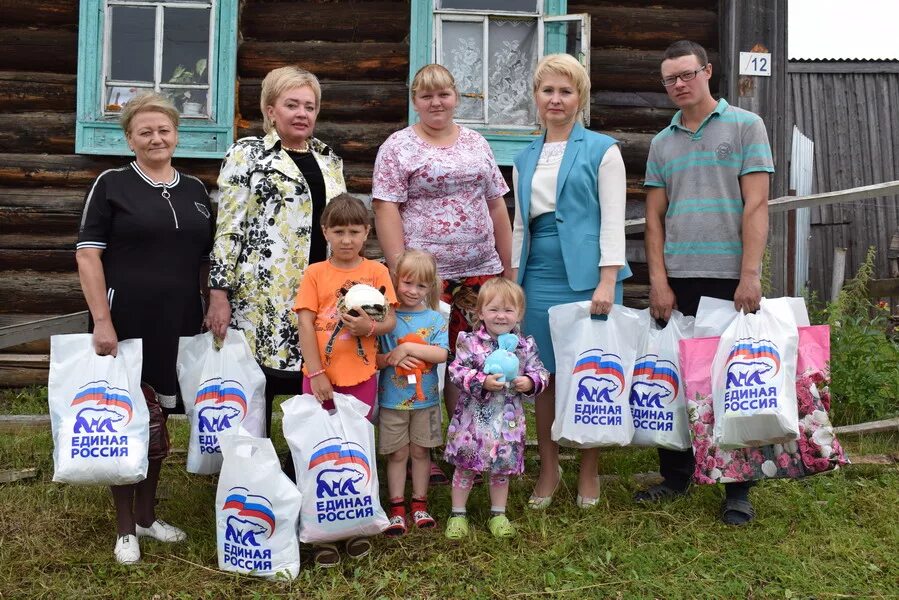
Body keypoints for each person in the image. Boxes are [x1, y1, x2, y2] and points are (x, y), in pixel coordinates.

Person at [639, 40, 774, 525]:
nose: (679, 84)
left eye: (687, 74)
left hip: (730, 278)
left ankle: (737, 488)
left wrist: (750, 275)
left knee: (731, 383)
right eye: (670, 78)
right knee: (673, 380)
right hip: (678, 277)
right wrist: (658, 281)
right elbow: (654, 219)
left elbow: (756, 205)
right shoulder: (662, 143)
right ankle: (676, 476)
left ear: (707, 71)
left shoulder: (745, 126)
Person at [76, 93, 213, 564]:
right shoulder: (112, 184)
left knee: (157, 421)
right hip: (125, 319)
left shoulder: (196, 189)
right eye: (145, 132)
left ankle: (147, 516)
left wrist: (210, 306)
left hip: (177, 322)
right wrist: (101, 320)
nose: (156, 138)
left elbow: (204, 261)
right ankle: (123, 527)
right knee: (125, 418)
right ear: (130, 139)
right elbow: (88, 254)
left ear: (177, 134)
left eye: (164, 130)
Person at [372, 65, 513, 484]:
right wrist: (401, 269)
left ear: (456, 97)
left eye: (444, 94)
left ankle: (472, 443)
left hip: (479, 273)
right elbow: (385, 207)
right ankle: (424, 449)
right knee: (423, 360)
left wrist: (507, 267)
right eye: (427, 96)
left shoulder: (476, 143)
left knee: (473, 359)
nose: (437, 103)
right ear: (415, 100)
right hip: (426, 281)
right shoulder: (398, 147)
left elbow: (497, 205)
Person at [511, 54, 631, 509]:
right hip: (537, 276)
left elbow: (613, 221)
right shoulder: (524, 157)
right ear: (537, 98)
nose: (556, 99)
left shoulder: (604, 149)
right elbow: (521, 225)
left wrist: (606, 281)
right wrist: (512, 285)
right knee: (543, 376)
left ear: (579, 98)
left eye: (565, 91)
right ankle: (548, 468)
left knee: (588, 373)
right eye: (548, 91)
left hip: (588, 279)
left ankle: (589, 470)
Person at [206, 66, 346, 436]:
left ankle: (309, 463)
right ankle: (254, 466)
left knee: (316, 375)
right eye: (292, 105)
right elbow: (229, 226)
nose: (302, 113)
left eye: (309, 106)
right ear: (270, 110)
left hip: (320, 292)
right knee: (260, 382)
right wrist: (219, 292)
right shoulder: (247, 154)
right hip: (263, 297)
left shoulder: (329, 159)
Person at [293, 193, 397, 566]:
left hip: (362, 378)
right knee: (318, 453)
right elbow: (305, 323)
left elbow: (389, 321)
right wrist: (317, 371)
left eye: (355, 231)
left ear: (367, 232)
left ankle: (353, 526)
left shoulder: (377, 273)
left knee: (355, 453)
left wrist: (369, 325)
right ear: (325, 232)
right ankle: (320, 532)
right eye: (339, 231)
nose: (347, 239)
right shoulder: (315, 274)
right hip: (319, 379)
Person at [443, 278, 549, 539]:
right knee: (465, 466)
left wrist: (530, 381)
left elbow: (542, 373)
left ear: (519, 314)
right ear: (480, 312)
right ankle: (458, 514)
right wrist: (481, 381)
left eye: (508, 310)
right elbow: (456, 371)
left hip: (508, 421)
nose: (501, 316)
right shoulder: (469, 341)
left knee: (502, 468)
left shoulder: (525, 346)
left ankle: (498, 514)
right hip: (472, 421)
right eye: (493, 309)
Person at [376, 250, 449, 536]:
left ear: (430, 287)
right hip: (393, 400)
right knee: (397, 454)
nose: (413, 291)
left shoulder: (434, 319)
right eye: (407, 283)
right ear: (396, 280)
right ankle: (396, 509)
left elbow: (441, 353)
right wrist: (393, 357)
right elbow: (375, 360)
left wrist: (406, 348)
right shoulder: (386, 319)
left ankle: (419, 505)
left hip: (426, 400)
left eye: (421, 285)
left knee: (421, 452)